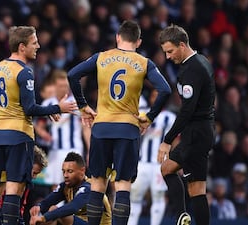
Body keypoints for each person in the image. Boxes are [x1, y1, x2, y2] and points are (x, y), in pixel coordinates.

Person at [68, 20, 172, 225]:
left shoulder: (101, 57)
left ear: (117, 37)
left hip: (102, 126)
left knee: (98, 184)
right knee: (122, 185)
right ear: (139, 41)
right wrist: (149, 118)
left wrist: (83, 106)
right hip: (128, 127)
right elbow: (166, 90)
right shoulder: (144, 63)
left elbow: (73, 75)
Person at [0, 25, 78, 225]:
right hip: (18, 135)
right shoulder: (24, 72)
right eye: (34, 43)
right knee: (13, 188)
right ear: (21, 47)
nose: (39, 46)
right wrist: (57, 108)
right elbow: (29, 108)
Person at [157, 24, 216, 225]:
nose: (167, 57)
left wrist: (167, 140)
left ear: (182, 45)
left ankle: (183, 216)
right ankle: (182, 215)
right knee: (168, 169)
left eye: (170, 51)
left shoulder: (193, 69)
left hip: (196, 134)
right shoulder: (201, 62)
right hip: (200, 131)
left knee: (196, 190)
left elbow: (187, 110)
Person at [128, 92, 176, 225]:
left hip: (160, 164)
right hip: (142, 163)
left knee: (159, 197)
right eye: (154, 94)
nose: (156, 97)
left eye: (160, 94)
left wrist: (175, 161)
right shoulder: (142, 114)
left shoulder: (171, 118)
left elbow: (176, 141)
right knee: (134, 197)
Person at [29, 152, 111, 225]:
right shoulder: (66, 186)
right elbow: (50, 200)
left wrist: (44, 218)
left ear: (82, 171)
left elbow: (73, 207)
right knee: (51, 210)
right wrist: (38, 207)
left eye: (70, 171)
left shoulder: (90, 187)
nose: (65, 175)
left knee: (57, 213)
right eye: (63, 171)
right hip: (80, 222)